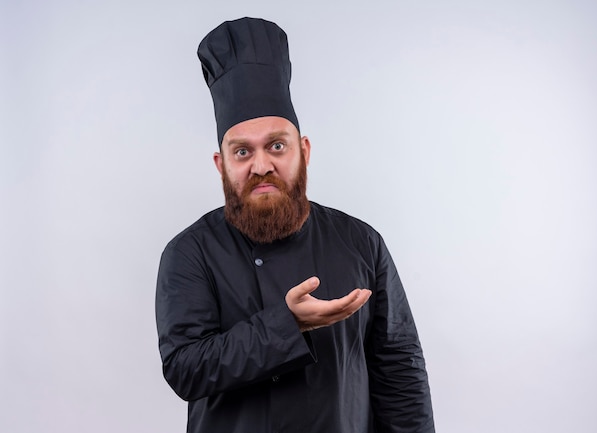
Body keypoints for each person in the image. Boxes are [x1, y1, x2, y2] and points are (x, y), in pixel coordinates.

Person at [156, 17, 435, 433]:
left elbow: (399, 374)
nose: (261, 165)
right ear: (222, 165)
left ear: (303, 151)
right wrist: (288, 324)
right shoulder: (190, 253)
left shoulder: (361, 243)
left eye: (276, 145)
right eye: (242, 152)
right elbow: (185, 369)